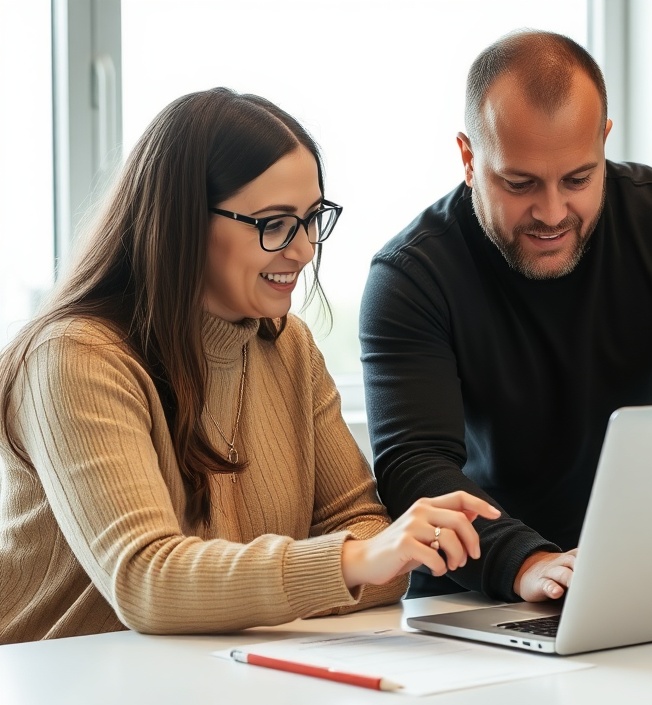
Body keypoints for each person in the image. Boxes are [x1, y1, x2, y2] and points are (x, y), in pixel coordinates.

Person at [0, 87, 499, 645]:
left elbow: (369, 537)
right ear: (183, 222)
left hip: (223, 686)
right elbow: (146, 582)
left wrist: (364, 558)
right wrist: (350, 563)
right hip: (61, 696)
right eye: (275, 223)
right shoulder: (74, 358)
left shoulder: (289, 348)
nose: (305, 249)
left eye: (312, 219)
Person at [360, 30, 652, 602]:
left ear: (604, 141)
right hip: (474, 595)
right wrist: (529, 563)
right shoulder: (411, 276)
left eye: (578, 178)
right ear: (469, 158)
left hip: (645, 576)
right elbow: (415, 465)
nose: (552, 212)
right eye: (520, 184)